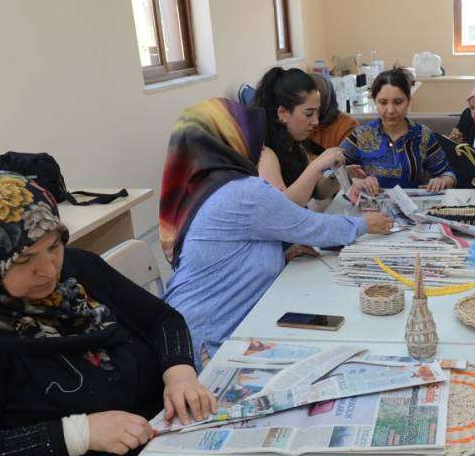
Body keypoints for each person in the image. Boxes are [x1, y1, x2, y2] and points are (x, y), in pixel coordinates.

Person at [0, 172, 214, 456]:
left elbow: (162, 318)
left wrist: (179, 372)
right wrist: (79, 434)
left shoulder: (78, 271)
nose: (48, 269)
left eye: (53, 246)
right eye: (23, 261)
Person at [160, 98, 392, 367]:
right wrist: (365, 224)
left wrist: (278, 252)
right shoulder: (243, 192)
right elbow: (309, 227)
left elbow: (231, 248)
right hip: (207, 346)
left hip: (188, 330)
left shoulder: (202, 186)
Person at [342, 67, 455, 196]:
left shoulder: (422, 135)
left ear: (408, 101)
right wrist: (356, 180)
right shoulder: (361, 135)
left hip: (412, 208)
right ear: (375, 102)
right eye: (383, 102)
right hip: (370, 209)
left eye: (398, 102)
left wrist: (441, 182)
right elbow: (332, 172)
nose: (390, 110)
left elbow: (448, 173)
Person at [252, 67, 346, 206]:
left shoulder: (295, 143)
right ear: (283, 113)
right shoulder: (265, 154)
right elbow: (282, 208)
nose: (315, 121)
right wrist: (316, 166)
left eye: (317, 113)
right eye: (309, 114)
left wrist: (341, 175)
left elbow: (317, 191)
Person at [308, 73, 359, 151]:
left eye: (318, 109)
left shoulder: (347, 126)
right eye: (308, 112)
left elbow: (348, 160)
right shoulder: (298, 124)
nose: (314, 121)